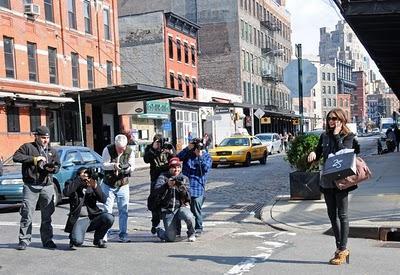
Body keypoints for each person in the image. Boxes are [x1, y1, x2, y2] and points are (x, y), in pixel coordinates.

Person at [307, 108, 355, 265]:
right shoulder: (324, 136)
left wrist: (336, 135)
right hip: (328, 180)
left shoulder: (348, 136)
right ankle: (339, 249)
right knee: (332, 216)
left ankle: (343, 249)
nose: (332, 121)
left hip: (341, 181)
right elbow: (320, 151)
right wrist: (314, 153)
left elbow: (346, 153)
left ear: (341, 120)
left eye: (335, 118)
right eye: (329, 118)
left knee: (343, 215)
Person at [13, 126, 60, 250]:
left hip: (47, 186)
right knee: (27, 213)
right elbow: (16, 157)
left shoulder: (52, 151)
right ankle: (24, 240)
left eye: (47, 138)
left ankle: (47, 240)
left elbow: (58, 166)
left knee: (47, 215)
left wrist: (53, 169)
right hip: (31, 185)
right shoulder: (28, 147)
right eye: (43, 138)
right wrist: (34, 159)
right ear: (37, 137)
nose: (45, 140)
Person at [63, 167, 114, 249]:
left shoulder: (92, 184)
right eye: (84, 174)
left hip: (92, 217)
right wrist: (79, 180)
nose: (86, 177)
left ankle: (98, 239)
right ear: (78, 175)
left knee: (109, 218)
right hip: (79, 219)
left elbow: (103, 199)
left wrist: (95, 187)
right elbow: (66, 192)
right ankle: (73, 236)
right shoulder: (72, 183)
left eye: (88, 175)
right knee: (78, 242)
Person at [102, 134, 135, 242]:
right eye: (120, 148)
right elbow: (103, 165)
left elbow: (133, 166)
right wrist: (113, 165)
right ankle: (104, 234)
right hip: (108, 184)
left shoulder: (129, 151)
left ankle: (123, 234)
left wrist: (127, 169)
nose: (122, 150)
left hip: (123, 184)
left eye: (124, 147)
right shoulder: (107, 149)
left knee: (123, 211)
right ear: (115, 145)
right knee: (107, 210)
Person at [154, 157, 196, 242]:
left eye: (178, 167)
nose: (176, 170)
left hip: (181, 207)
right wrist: (167, 185)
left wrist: (181, 188)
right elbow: (156, 191)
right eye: (173, 167)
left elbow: (188, 197)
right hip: (168, 209)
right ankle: (159, 231)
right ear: (169, 168)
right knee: (170, 238)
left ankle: (191, 233)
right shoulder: (163, 177)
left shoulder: (184, 178)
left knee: (189, 216)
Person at [177, 138, 212, 236]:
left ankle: (198, 228)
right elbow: (177, 158)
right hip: (185, 186)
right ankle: (177, 229)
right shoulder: (187, 154)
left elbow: (205, 169)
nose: (197, 148)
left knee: (196, 208)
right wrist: (188, 148)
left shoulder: (206, 156)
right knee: (177, 207)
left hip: (197, 186)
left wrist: (199, 156)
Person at [143, 134, 175, 234]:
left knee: (167, 200)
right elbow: (146, 159)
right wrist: (154, 148)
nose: (160, 144)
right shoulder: (150, 148)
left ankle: (169, 224)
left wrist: (170, 152)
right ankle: (155, 223)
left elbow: (175, 160)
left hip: (166, 177)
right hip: (155, 177)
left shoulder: (167, 146)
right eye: (157, 142)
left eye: (160, 142)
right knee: (154, 201)